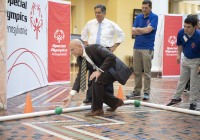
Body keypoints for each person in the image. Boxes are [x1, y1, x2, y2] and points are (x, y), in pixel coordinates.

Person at [62, 39, 131, 116]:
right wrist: (70, 96)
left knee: (96, 81)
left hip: (114, 70)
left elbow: (111, 57)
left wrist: (99, 71)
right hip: (104, 72)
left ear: (80, 46)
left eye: (72, 50)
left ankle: (97, 109)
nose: (72, 53)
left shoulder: (94, 48)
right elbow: (80, 77)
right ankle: (115, 102)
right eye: (70, 51)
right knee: (93, 89)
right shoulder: (80, 59)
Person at [81, 4, 125, 104]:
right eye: (96, 13)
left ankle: (108, 97)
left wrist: (114, 47)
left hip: (105, 52)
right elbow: (83, 35)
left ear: (104, 13)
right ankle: (90, 96)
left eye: (99, 13)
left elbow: (122, 34)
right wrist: (87, 45)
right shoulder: (90, 23)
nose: (97, 14)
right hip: (92, 51)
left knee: (106, 73)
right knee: (92, 74)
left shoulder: (111, 24)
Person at [126, 0, 158, 100]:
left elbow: (148, 30)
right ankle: (136, 91)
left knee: (147, 72)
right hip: (136, 47)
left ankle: (146, 92)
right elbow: (133, 31)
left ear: (150, 8)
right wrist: (143, 30)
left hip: (147, 48)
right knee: (137, 72)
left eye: (146, 8)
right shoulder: (139, 17)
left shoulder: (154, 17)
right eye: (142, 7)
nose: (144, 9)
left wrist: (139, 29)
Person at [166, 16, 200, 110]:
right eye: (185, 26)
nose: (186, 28)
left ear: (195, 27)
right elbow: (180, 44)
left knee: (194, 83)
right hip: (186, 59)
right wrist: (178, 54)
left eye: (188, 27)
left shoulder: (199, 36)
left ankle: (193, 103)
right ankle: (176, 98)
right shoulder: (181, 32)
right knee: (182, 80)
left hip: (196, 61)